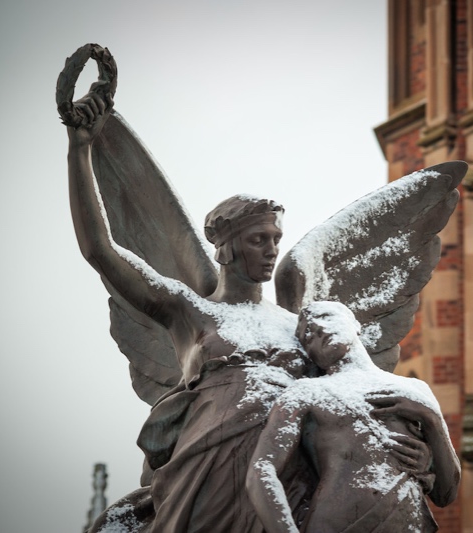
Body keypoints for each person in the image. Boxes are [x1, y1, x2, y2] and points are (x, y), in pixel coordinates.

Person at [68, 94, 433, 532]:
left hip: (284, 476)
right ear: (226, 247)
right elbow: (100, 250)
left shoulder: (300, 325)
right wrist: (79, 148)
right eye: (259, 239)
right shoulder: (191, 312)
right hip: (207, 471)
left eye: (275, 238)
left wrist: (418, 456)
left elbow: (353, 396)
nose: (272, 249)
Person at [246, 301, 461, 533]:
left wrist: (430, 420)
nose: (317, 329)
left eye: (326, 317)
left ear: (355, 324)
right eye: (307, 337)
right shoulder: (306, 392)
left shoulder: (415, 390)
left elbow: (446, 494)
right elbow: (261, 469)